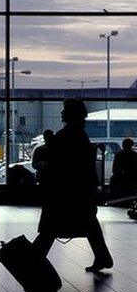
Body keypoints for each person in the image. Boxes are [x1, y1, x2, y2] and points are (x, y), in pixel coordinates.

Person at [33, 99, 113, 273]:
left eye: (64, 110)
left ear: (71, 114)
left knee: (51, 226)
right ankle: (102, 256)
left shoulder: (67, 135)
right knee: (88, 223)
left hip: (66, 190)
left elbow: (60, 161)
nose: (61, 113)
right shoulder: (79, 134)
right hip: (80, 189)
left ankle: (32, 260)